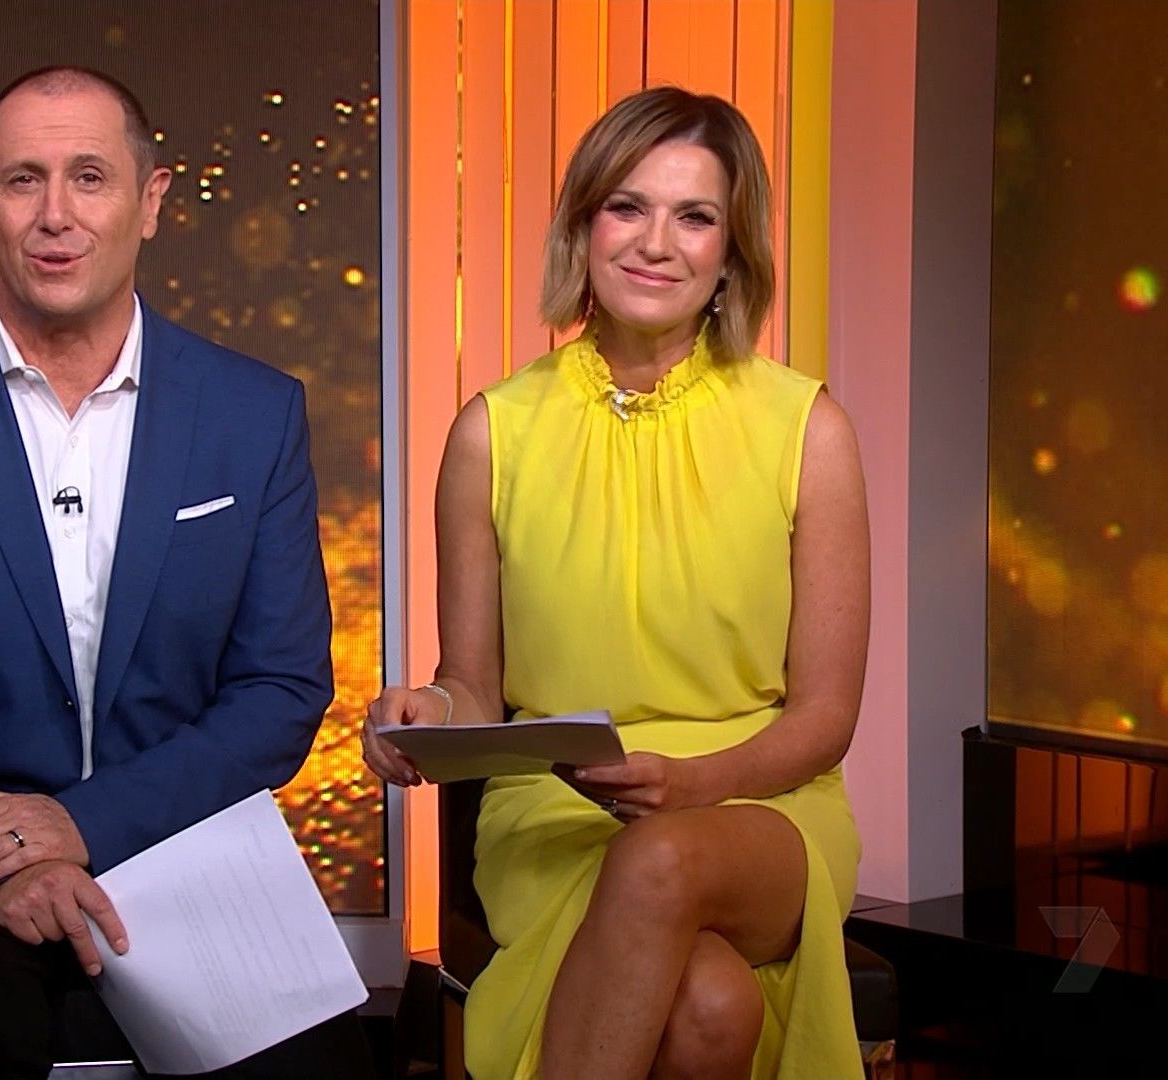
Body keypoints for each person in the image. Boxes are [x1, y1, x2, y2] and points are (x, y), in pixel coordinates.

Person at [0, 65, 372, 1080]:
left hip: (173, 837)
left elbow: (279, 691)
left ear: (152, 199)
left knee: (319, 1068)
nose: (56, 214)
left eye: (90, 177)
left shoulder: (253, 410)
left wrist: (77, 826)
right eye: (24, 180)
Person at [363, 86, 870, 1079]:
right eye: (628, 207)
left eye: (695, 216)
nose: (656, 243)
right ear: (584, 227)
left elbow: (826, 717)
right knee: (710, 1006)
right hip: (557, 815)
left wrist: (695, 785)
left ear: (733, 251)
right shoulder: (492, 432)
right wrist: (424, 712)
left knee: (664, 856)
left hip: (766, 807)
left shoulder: (809, 430)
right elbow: (474, 686)